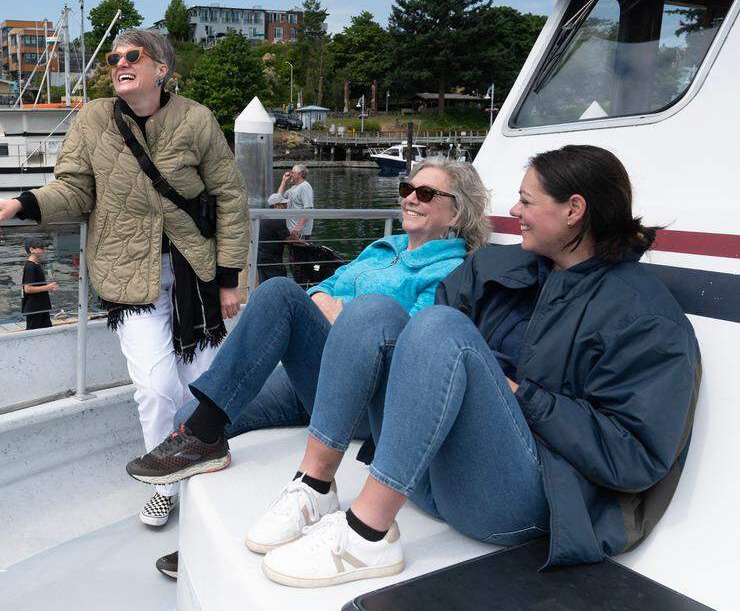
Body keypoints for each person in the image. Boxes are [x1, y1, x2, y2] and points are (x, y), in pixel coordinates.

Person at [137, 145, 701, 589]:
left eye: (528, 202)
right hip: (432, 470)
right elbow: (407, 346)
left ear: (574, 210)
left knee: (438, 328)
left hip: (522, 498)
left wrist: (518, 395)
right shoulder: (504, 270)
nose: (515, 213)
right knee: (375, 312)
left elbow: (637, 456)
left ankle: (367, 535)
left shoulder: (643, 314)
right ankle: (315, 485)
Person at [130, 157, 490, 577]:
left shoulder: (453, 269)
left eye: (426, 194)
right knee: (190, 418)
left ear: (457, 211)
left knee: (281, 292)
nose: (410, 198)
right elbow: (325, 286)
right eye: (407, 189)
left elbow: (414, 342)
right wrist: (327, 303)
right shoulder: (383, 248)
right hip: (317, 375)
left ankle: (218, 457)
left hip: (364, 395)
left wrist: (341, 312)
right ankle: (199, 532)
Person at [0, 29, 249, 528]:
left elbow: (230, 198)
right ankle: (163, 481)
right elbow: (74, 187)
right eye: (113, 59)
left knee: (202, 385)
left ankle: (205, 481)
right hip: (129, 275)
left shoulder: (196, 118)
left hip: (196, 275)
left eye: (132, 57)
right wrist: (24, 203)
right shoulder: (94, 120)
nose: (119, 64)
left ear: (161, 69)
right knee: (156, 385)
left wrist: (231, 278)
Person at [21, 236, 58, 329]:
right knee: (33, 333)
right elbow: (27, 289)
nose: (43, 249)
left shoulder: (36, 264)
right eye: (40, 247)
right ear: (31, 249)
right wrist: (48, 287)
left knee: (47, 331)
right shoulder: (30, 267)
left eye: (43, 247)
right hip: (35, 308)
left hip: (41, 306)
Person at [257, 193, 292, 283]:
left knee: (265, 283)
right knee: (280, 282)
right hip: (272, 260)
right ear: (276, 205)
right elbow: (287, 238)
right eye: (283, 204)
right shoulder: (278, 217)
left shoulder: (264, 215)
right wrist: (301, 241)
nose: (286, 206)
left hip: (260, 257)